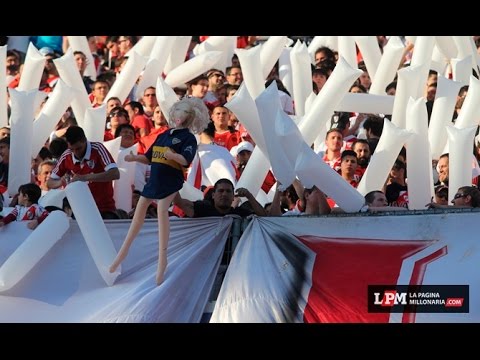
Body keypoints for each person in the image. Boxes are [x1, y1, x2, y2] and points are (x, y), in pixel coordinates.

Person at [109, 97, 210, 285]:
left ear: (190, 117)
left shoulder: (188, 138)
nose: (180, 115)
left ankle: (162, 262)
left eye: (185, 112)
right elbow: (149, 157)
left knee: (162, 213)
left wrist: (173, 155)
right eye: (179, 111)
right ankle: (121, 254)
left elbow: (185, 160)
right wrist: (134, 158)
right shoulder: (163, 134)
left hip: (171, 181)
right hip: (154, 181)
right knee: (137, 218)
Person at [47, 126, 120, 219]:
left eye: (78, 148)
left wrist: (85, 177)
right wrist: (61, 182)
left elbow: (115, 173)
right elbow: (50, 183)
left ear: (85, 140)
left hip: (104, 209)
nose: (75, 153)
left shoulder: (97, 149)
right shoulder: (67, 155)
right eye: (72, 149)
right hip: (78, 210)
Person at [173, 178, 266, 217]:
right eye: (221, 191)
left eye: (228, 191)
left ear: (233, 196)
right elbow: (179, 202)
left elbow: (264, 217)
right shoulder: (202, 209)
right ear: (213, 195)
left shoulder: (239, 214)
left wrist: (250, 196)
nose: (224, 194)